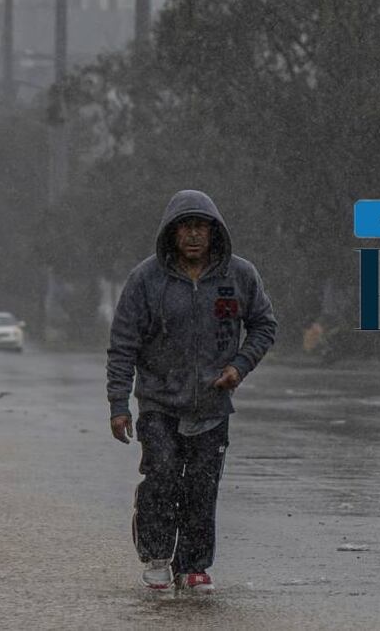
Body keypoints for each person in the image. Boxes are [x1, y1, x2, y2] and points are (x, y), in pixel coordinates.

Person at [106, 189, 277, 592]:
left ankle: (194, 565)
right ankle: (157, 554)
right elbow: (123, 344)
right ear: (172, 234)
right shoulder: (146, 280)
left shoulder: (240, 276)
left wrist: (239, 365)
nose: (194, 236)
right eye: (186, 228)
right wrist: (119, 404)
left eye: (202, 227)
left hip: (213, 406)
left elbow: (265, 325)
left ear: (215, 233)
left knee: (202, 488)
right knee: (162, 477)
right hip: (158, 403)